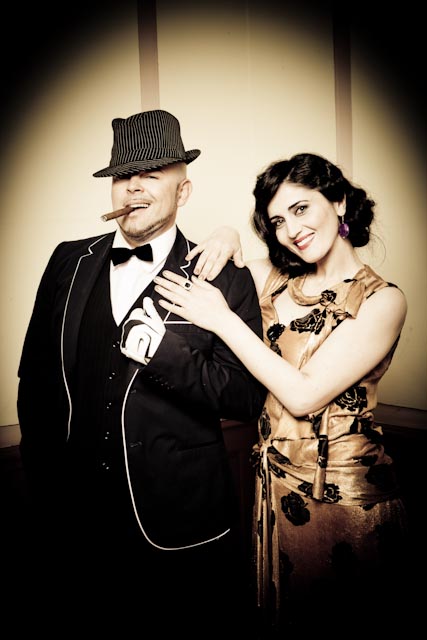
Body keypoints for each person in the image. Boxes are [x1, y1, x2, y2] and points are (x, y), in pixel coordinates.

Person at [16, 109, 266, 635]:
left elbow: (245, 398)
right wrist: (43, 490)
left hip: (178, 522)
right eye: (122, 176)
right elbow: (34, 381)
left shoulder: (224, 276)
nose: (133, 187)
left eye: (151, 175)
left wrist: (165, 354)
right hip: (74, 523)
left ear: (184, 191)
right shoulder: (67, 261)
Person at [152, 153, 412, 635]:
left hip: (345, 494)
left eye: (301, 209)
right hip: (271, 486)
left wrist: (223, 320)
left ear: (338, 202)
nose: (291, 230)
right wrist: (227, 234)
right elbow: (224, 265)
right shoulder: (272, 278)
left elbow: (304, 395)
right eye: (276, 221)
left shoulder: (383, 299)